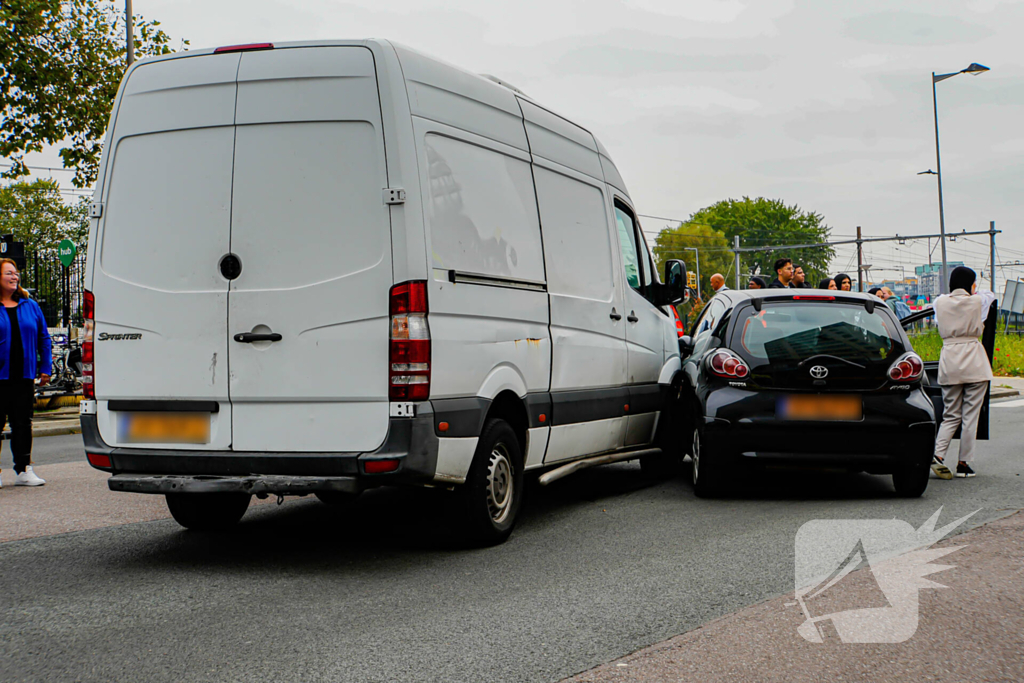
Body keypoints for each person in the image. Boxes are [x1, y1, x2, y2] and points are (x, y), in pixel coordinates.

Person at [930, 266, 996, 480]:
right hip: (974, 359)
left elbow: (939, 317)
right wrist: (973, 290)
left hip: (950, 358)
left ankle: (938, 455)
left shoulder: (939, 302)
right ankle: (963, 464)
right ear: (971, 283)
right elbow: (990, 295)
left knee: (950, 414)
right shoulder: (979, 301)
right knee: (970, 416)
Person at [0, 258, 52, 487]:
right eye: (9, 273)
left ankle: (23, 470)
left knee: (22, 423)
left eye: (16, 273)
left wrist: (45, 368)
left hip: (23, 375)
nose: (15, 277)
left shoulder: (30, 305)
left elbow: (44, 338)